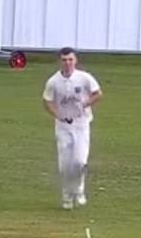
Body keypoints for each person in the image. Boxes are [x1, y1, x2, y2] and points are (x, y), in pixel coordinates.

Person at [42, 46, 102, 210]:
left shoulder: (84, 78)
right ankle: (67, 195)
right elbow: (47, 101)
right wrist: (58, 115)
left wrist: (85, 103)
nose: (67, 63)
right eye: (64, 60)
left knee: (79, 161)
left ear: (75, 61)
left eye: (70, 60)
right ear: (60, 61)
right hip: (63, 127)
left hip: (81, 124)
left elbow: (97, 93)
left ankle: (79, 190)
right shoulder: (54, 81)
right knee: (65, 165)